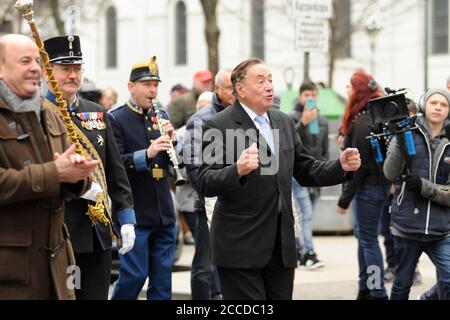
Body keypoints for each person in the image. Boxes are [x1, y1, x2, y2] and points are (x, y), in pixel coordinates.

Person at [197, 58, 361, 300]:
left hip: (281, 246)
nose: (269, 86)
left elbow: (306, 169)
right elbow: (205, 181)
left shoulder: (282, 121)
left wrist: (340, 166)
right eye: (260, 80)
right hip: (240, 244)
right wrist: (237, 170)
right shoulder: (217, 125)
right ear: (240, 89)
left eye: (271, 80)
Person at [0, 34, 97, 299]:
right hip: (12, 273)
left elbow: (68, 172)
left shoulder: (49, 114)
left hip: (57, 266)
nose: (34, 67)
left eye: (36, 60)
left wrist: (78, 175)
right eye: (24, 61)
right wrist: (55, 173)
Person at [42, 35, 136, 300]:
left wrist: (127, 217)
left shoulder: (96, 113)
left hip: (99, 233)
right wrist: (75, 186)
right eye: (64, 69)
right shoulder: (38, 113)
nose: (73, 75)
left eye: (77, 68)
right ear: (47, 70)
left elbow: (115, 171)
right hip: (63, 233)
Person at [109, 56, 177, 300]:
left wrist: (173, 143)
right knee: (135, 275)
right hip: (136, 210)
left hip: (163, 210)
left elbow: (170, 164)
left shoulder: (161, 116)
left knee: (162, 279)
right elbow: (115, 165)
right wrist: (147, 154)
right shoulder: (116, 118)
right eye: (147, 84)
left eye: (155, 85)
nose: (152, 90)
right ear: (131, 87)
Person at [384, 88, 450, 300]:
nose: (438, 107)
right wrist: (400, 140)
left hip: (441, 230)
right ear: (424, 105)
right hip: (406, 226)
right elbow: (389, 173)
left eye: (444, 104)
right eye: (434, 103)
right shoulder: (407, 131)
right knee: (402, 286)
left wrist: (423, 186)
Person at [336, 71, 391, 300]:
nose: (347, 90)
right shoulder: (375, 117)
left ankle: (377, 291)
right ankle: (366, 287)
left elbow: (358, 166)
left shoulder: (361, 122)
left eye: (350, 86)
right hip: (378, 186)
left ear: (358, 91)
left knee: (368, 241)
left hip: (368, 188)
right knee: (364, 238)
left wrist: (344, 200)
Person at [184, 69, 234, 300]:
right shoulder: (201, 119)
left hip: (237, 202)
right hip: (209, 201)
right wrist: (210, 190)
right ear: (217, 89)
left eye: (237, 87)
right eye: (230, 89)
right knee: (205, 265)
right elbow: (193, 166)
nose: (235, 93)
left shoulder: (243, 115)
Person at [290, 81, 329, 269]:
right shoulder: (291, 118)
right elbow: (287, 143)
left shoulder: (321, 120)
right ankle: (308, 253)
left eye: (313, 95)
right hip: (297, 175)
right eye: (306, 95)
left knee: (306, 214)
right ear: (299, 97)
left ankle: (298, 249)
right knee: (304, 213)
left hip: (316, 173)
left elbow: (324, 150)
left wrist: (325, 175)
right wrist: (302, 123)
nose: (310, 99)